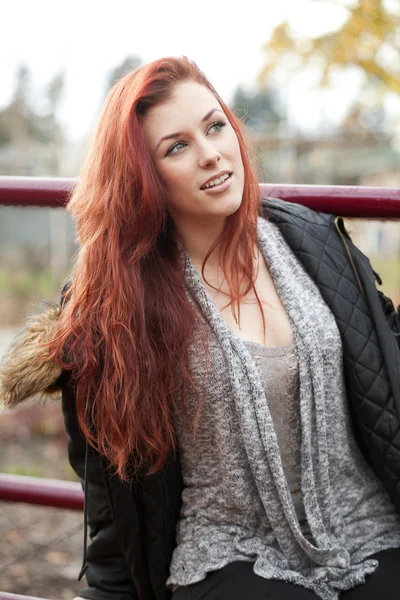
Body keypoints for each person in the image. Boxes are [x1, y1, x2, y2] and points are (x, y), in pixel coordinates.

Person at [1, 56, 400, 600]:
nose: (212, 153)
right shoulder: (120, 306)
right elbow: (110, 489)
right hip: (226, 549)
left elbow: (386, 372)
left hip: (365, 524)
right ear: (144, 178)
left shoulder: (318, 244)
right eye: (177, 146)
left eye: (215, 126)